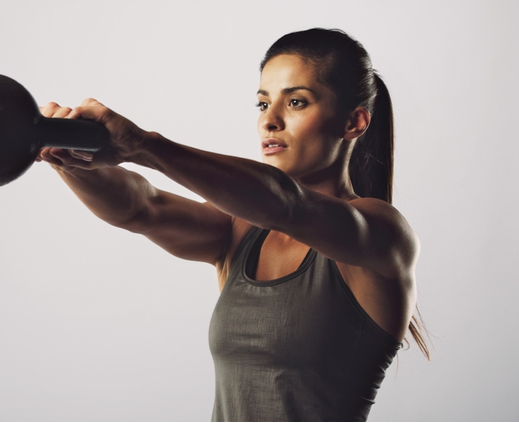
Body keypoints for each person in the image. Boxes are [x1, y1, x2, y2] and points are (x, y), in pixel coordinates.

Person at [36, 28, 429, 422]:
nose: (269, 121)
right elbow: (141, 207)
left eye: (295, 102)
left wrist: (143, 145)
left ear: (354, 123)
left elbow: (287, 205)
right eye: (262, 104)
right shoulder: (240, 229)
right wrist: (67, 156)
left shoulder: (382, 234)